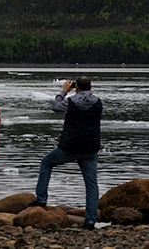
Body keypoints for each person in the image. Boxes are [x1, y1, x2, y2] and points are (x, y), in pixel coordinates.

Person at [31, 76, 103, 230]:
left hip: (69, 147)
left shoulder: (70, 101)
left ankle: (41, 198)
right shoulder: (98, 102)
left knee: (46, 163)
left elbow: (55, 107)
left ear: (76, 88)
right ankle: (90, 220)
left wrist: (63, 91)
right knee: (91, 184)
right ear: (90, 88)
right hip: (90, 149)